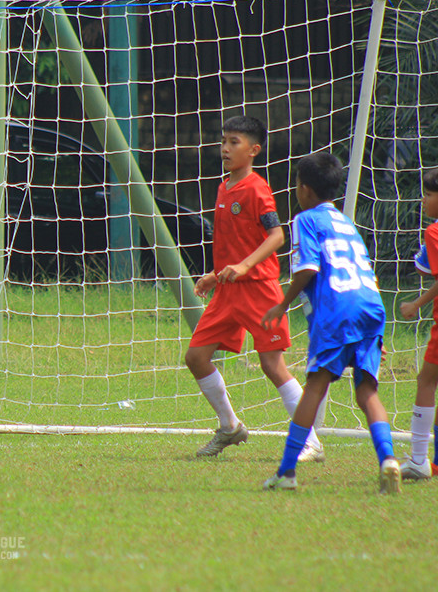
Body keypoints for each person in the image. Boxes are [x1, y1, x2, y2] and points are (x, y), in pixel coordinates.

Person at [186, 116, 324, 460]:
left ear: (254, 150)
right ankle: (230, 427)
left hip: (259, 290)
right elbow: (233, 245)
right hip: (228, 291)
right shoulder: (223, 187)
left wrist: (246, 265)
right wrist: (214, 275)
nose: (225, 149)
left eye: (234, 142)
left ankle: (312, 442)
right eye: (224, 141)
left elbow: (276, 235)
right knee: (196, 358)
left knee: (271, 364)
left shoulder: (257, 188)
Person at [261, 152, 399, 493]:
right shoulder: (344, 222)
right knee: (367, 390)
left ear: (304, 189)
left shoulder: (305, 220)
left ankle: (287, 472)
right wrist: (372, 332)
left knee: (317, 385)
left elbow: (308, 268)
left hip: (337, 311)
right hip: (370, 306)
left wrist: (281, 305)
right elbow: (366, 270)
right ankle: (389, 460)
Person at [396, 168, 438, 480]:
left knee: (426, 382)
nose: (423, 200)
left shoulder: (434, 232)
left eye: (429, 194)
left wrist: (415, 304)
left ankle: (419, 459)